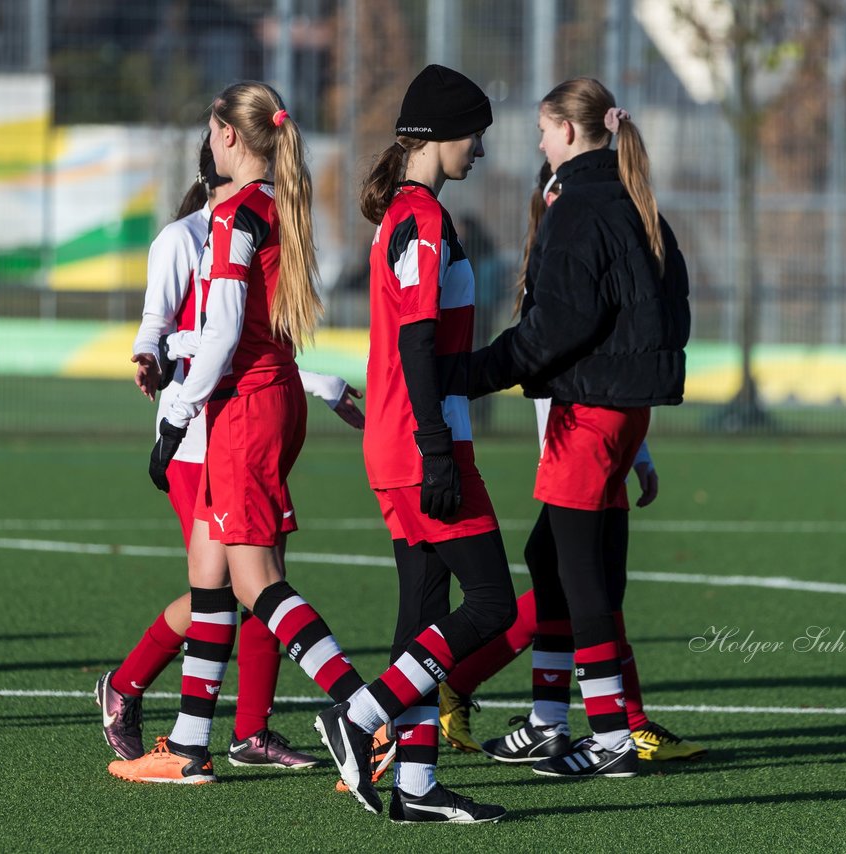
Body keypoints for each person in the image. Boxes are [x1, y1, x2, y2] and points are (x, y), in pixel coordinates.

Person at [108, 82, 505, 820]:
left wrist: (176, 415)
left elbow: (226, 335)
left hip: (243, 410)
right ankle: (193, 740)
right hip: (271, 399)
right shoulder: (278, 208)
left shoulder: (232, 216)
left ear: (228, 136)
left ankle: (359, 711)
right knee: (215, 575)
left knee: (255, 583)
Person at [444, 78, 690, 779]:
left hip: (590, 409)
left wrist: (468, 371)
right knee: (552, 556)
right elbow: (667, 310)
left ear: (570, 131)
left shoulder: (579, 206)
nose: (540, 143)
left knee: (581, 573)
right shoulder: (632, 200)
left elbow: (555, 327)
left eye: (545, 131)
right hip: (615, 406)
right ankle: (550, 720)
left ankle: (610, 734)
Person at [96, 133, 365, 771]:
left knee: (240, 582)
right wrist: (155, 365)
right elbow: (163, 330)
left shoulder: (246, 219)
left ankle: (231, 735)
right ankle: (169, 717)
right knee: (228, 583)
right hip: (209, 423)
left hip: (233, 417)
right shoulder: (193, 233)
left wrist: (310, 383)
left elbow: (235, 343)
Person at [354, 64, 518, 823]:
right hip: (423, 446)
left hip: (406, 444)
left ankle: (414, 787)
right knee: (490, 603)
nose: (479, 148)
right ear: (440, 134)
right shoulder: (420, 217)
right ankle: (359, 718)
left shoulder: (409, 213)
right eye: (474, 133)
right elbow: (419, 344)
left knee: (423, 616)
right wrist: (437, 448)